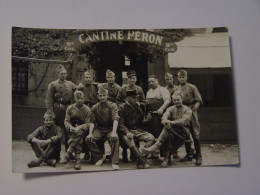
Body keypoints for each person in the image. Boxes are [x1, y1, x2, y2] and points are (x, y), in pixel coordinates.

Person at [142, 92, 192, 167]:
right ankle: (166, 159)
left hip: (183, 132)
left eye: (178, 100)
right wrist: (165, 121)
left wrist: (170, 122)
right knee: (168, 134)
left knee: (168, 127)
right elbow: (164, 117)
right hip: (171, 130)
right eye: (174, 100)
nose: (176, 102)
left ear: (182, 99)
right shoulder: (170, 108)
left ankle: (156, 146)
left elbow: (183, 122)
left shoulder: (187, 110)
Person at [118, 89, 155, 169]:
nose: (136, 99)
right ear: (128, 98)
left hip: (137, 130)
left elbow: (141, 122)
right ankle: (143, 161)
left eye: (136, 98)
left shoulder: (137, 107)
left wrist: (147, 119)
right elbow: (121, 125)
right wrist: (127, 132)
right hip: (126, 131)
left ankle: (140, 160)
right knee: (129, 140)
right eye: (134, 98)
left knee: (151, 138)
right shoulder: (121, 108)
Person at [86, 86, 120, 170]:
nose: (102, 97)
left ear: (107, 96)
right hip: (100, 129)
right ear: (97, 97)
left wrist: (114, 132)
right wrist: (90, 134)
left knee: (115, 138)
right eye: (100, 95)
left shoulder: (113, 106)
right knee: (88, 139)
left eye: (104, 95)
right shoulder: (94, 107)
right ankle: (100, 157)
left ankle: (115, 162)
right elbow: (92, 121)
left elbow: (115, 119)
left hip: (110, 128)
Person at [45, 64, 77, 151]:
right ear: (58, 74)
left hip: (68, 109)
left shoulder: (70, 84)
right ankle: (55, 153)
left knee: (68, 131)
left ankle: (68, 153)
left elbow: (79, 88)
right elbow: (49, 99)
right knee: (57, 131)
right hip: (58, 110)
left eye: (65, 73)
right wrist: (51, 112)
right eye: (61, 73)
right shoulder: (53, 84)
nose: (63, 75)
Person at [176, 70, 203, 165]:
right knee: (185, 133)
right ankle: (189, 154)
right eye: (179, 76)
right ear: (178, 78)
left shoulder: (192, 87)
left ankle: (199, 155)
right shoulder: (177, 89)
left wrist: (192, 110)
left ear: (186, 77)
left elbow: (198, 101)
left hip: (191, 111)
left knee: (195, 133)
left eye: (183, 76)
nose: (181, 78)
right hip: (182, 112)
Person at [60, 90, 91, 170]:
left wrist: (79, 127)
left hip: (83, 130)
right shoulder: (70, 108)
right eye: (77, 98)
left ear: (84, 99)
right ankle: (77, 160)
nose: (79, 100)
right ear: (74, 99)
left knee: (79, 133)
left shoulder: (87, 109)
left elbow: (88, 123)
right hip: (71, 130)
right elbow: (66, 121)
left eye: (81, 98)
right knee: (78, 136)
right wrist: (70, 127)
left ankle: (70, 152)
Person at [164, 72, 179, 158]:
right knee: (169, 131)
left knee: (176, 130)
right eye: (167, 79)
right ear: (165, 81)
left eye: (170, 79)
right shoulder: (164, 89)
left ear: (173, 79)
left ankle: (175, 150)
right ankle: (169, 150)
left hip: (176, 111)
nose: (169, 81)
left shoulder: (177, 88)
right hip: (168, 111)